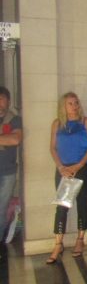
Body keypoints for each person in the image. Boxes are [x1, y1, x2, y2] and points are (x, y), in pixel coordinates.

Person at [47, 92, 87, 263]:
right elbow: (52, 148)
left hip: (82, 167)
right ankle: (58, 243)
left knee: (82, 201)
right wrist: (61, 167)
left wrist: (79, 165)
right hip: (64, 168)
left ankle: (80, 239)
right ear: (63, 106)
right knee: (62, 205)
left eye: (76, 102)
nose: (74, 106)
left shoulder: (86, 122)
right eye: (70, 103)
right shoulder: (57, 124)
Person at [0, 86, 22, 253]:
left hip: (6, 171)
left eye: (2, 99)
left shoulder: (14, 119)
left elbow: (15, 139)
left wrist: (6, 139)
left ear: (8, 101)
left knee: (1, 208)